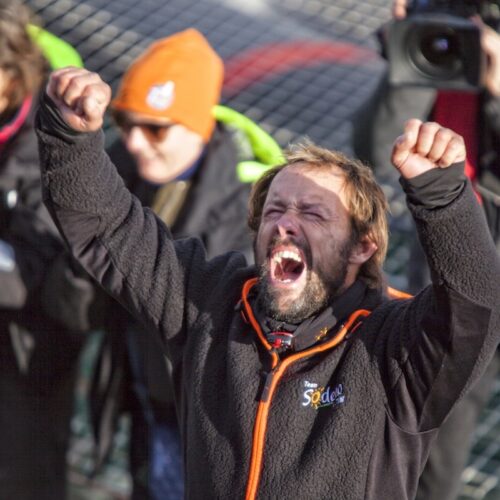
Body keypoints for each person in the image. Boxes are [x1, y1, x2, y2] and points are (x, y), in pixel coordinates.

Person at [35, 66, 500, 499]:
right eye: (274, 211)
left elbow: (476, 307)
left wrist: (443, 197)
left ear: (363, 247)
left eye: (313, 213)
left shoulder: (394, 346)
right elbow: (109, 229)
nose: (284, 225)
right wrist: (68, 135)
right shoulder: (209, 302)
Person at [89, 29, 282, 500]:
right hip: (144, 390)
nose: (136, 141)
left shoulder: (251, 202)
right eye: (125, 122)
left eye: (155, 128)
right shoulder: (122, 168)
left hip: (206, 413)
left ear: (198, 125)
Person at [352, 1, 500, 498]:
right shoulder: (443, 38)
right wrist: (410, 50)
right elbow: (374, 150)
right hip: (452, 245)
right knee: (440, 404)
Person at [0, 2, 97, 499]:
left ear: (12, 73)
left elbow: (34, 265)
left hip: (36, 343)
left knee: (26, 473)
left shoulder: (54, 132)